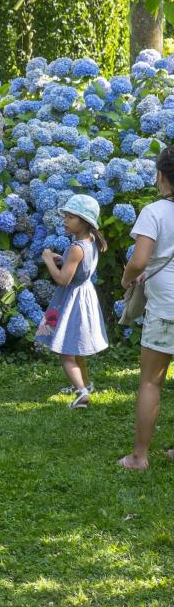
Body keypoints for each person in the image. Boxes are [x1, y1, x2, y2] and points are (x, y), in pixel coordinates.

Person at [118, 145, 174, 471]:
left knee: (151, 381)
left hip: (166, 309)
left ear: (161, 176)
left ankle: (139, 457)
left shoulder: (153, 212)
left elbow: (139, 261)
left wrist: (128, 279)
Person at [35, 194, 109, 409]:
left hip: (70, 301)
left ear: (83, 221)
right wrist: (63, 259)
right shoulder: (90, 242)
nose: (64, 221)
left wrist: (49, 261)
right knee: (76, 348)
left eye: (70, 217)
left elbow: (62, 279)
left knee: (65, 351)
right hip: (83, 296)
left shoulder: (76, 248)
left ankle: (82, 393)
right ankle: (85, 382)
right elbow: (78, 267)